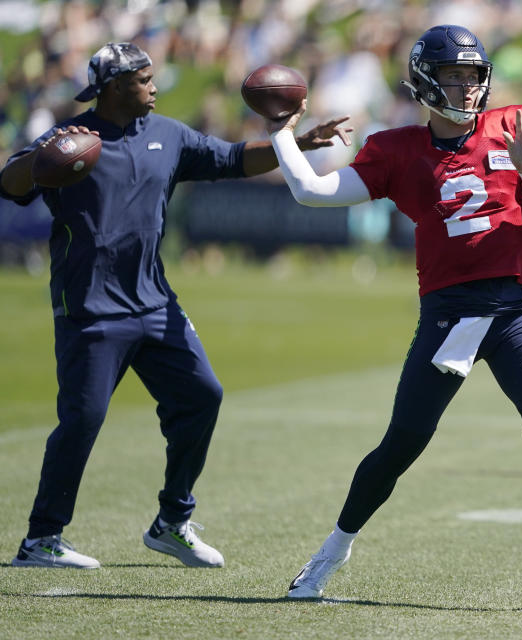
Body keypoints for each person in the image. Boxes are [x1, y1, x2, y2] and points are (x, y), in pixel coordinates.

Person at [262, 25, 522, 614]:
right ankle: (330, 555)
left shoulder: (516, 126)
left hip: (515, 308)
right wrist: (280, 134)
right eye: (453, 76)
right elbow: (313, 192)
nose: (467, 87)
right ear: (425, 81)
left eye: (473, 75)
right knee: (402, 445)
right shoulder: (397, 149)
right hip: (449, 315)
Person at [1, 42, 344, 569]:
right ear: (115, 88)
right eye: (144, 79)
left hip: (154, 304)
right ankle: (41, 538)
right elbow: (10, 183)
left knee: (203, 396)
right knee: (83, 419)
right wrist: (40, 162)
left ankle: (172, 521)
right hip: (90, 308)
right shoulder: (70, 139)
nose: (154, 86)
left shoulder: (170, 134)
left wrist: (295, 143)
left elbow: (231, 160)